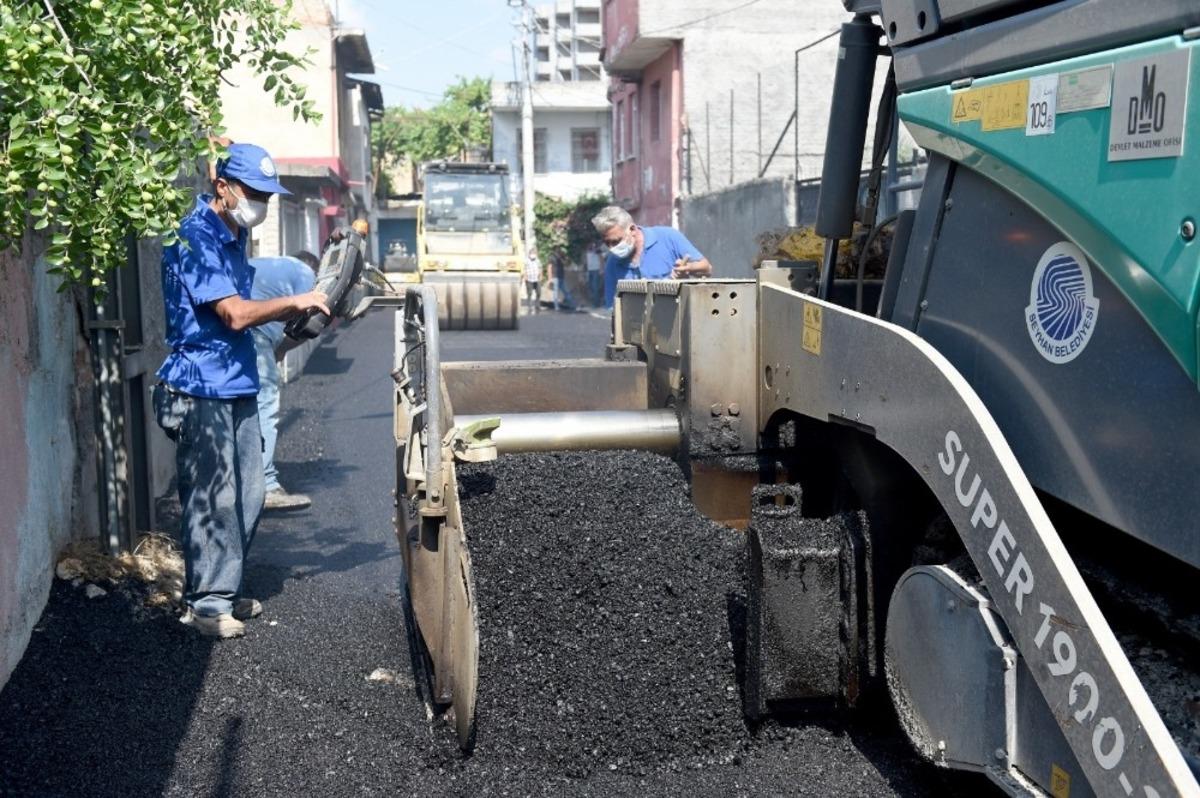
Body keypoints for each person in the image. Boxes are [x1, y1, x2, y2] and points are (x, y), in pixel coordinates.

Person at [153, 142, 330, 639]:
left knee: (249, 494)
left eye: (268, 197)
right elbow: (232, 313)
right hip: (200, 384)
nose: (262, 204)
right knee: (214, 497)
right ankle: (208, 606)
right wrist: (295, 301)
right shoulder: (195, 235)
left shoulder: (235, 234)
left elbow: (248, 308)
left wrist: (291, 320)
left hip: (236, 379)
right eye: (254, 193)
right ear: (223, 187)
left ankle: (219, 592)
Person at [250, 251, 319, 512]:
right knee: (265, 400)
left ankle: (237, 481)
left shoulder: (272, 265)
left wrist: (278, 349)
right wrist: (282, 349)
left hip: (225, 324)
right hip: (253, 330)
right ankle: (266, 486)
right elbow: (309, 322)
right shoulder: (306, 274)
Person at [591, 206, 713, 309]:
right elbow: (614, 309)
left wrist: (688, 268)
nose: (612, 248)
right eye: (607, 243)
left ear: (632, 229)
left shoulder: (668, 237)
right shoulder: (613, 263)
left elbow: (707, 268)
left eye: (616, 241)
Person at [523, 249, 542, 315]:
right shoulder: (526, 261)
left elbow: (540, 268)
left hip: (537, 279)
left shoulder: (538, 260)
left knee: (538, 292)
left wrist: (540, 275)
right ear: (529, 254)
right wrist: (525, 276)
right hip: (529, 279)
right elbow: (524, 269)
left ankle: (537, 305)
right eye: (532, 253)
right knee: (529, 293)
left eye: (534, 253)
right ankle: (530, 306)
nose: (533, 255)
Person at [584, 242, 603, 307]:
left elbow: (601, 260)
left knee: (595, 287)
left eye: (593, 245)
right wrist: (586, 270)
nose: (592, 246)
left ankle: (596, 304)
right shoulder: (587, 252)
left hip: (596, 270)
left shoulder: (597, 252)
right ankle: (594, 302)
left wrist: (601, 269)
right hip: (590, 271)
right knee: (590, 286)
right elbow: (587, 262)